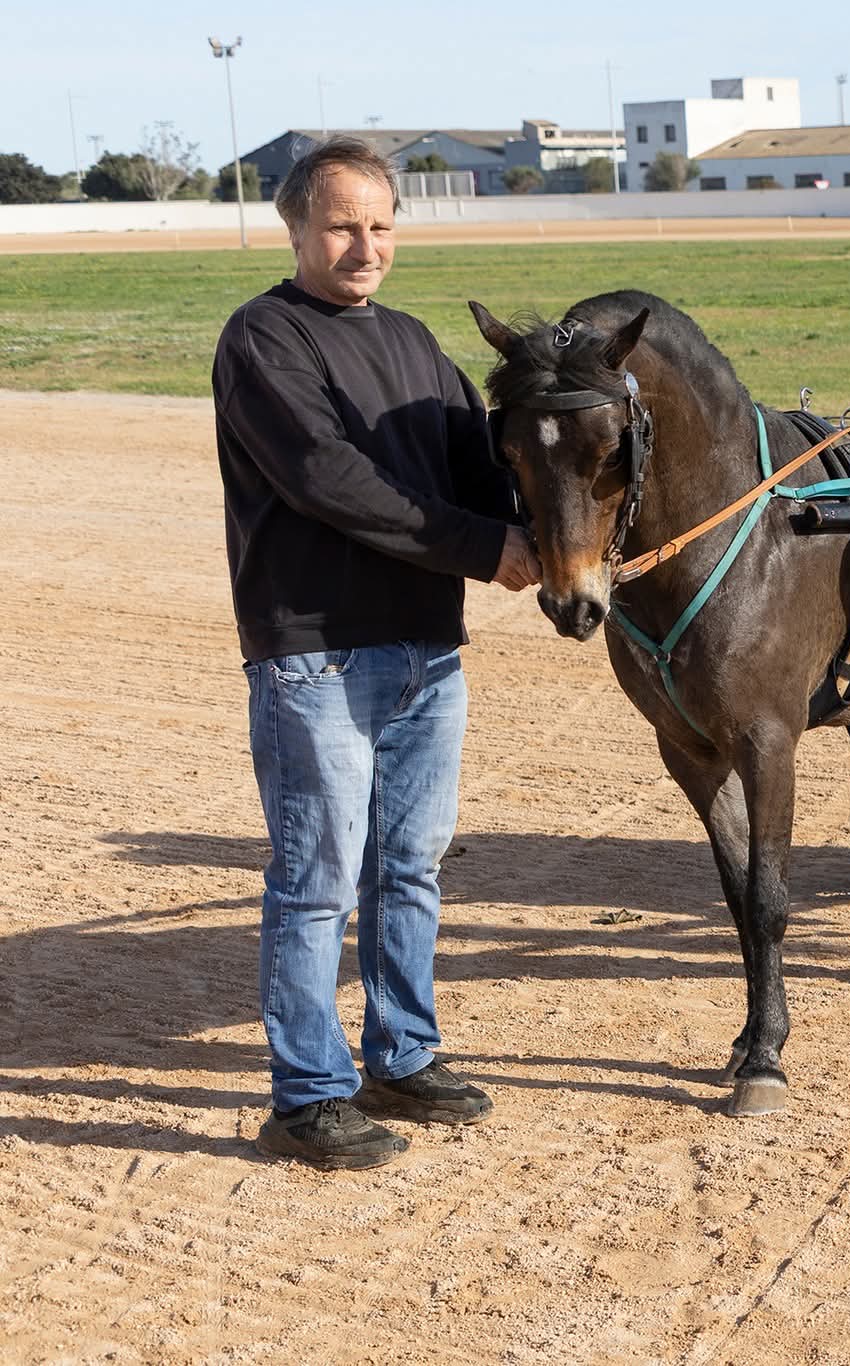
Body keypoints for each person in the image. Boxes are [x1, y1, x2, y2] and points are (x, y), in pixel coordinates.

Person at [213, 137, 541, 1170]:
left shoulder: (411, 342)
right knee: (315, 880)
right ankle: (308, 1092)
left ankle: (402, 1053)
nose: (365, 246)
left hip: (425, 652)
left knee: (410, 867)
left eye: (382, 225)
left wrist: (556, 533)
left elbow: (478, 464)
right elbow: (328, 477)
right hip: (315, 654)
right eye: (343, 225)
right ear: (297, 229)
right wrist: (489, 549)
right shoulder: (264, 338)